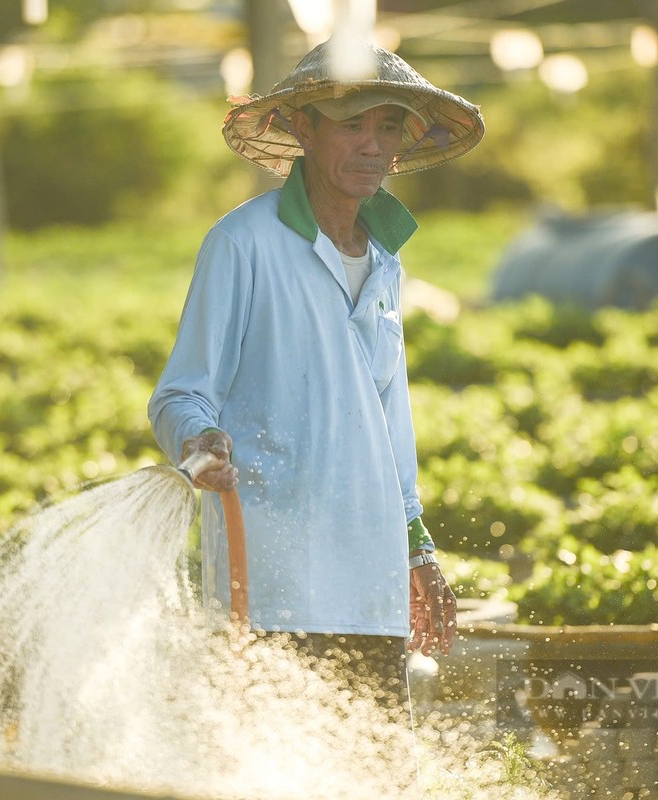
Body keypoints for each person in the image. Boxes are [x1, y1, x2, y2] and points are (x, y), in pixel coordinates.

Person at [149, 37, 484, 710]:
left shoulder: (385, 262)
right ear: (302, 127)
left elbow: (390, 422)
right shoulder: (244, 244)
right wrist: (199, 440)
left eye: (387, 126)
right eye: (351, 123)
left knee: (371, 765)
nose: (372, 145)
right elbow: (181, 392)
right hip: (275, 577)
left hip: (370, 579)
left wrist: (416, 549)